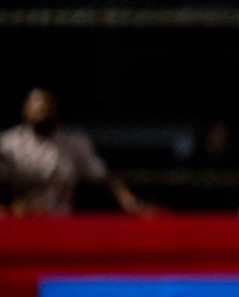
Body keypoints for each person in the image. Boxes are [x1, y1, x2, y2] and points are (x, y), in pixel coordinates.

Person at [0, 87, 145, 215]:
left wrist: (131, 202)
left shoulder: (73, 142)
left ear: (55, 109)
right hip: (21, 219)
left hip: (60, 218)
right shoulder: (8, 143)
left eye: (46, 106)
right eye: (36, 106)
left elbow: (103, 175)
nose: (41, 108)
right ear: (25, 109)